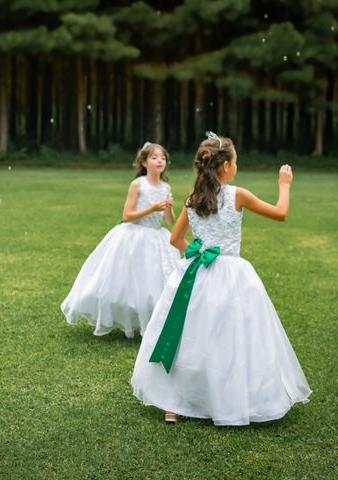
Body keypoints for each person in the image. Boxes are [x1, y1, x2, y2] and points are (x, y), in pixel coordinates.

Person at [131, 132, 311, 425]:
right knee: (230, 338)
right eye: (236, 161)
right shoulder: (238, 194)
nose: (236, 166)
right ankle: (228, 399)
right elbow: (280, 213)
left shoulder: (193, 199)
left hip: (196, 275)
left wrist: (197, 251)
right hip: (232, 276)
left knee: (190, 337)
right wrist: (284, 185)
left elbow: (175, 239)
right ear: (225, 165)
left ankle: (173, 402)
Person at [61, 142, 181, 338]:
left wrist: (167, 207)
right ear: (144, 162)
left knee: (153, 282)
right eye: (154, 157)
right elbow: (127, 215)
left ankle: (153, 321)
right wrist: (151, 208)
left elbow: (169, 221)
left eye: (163, 158)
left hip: (156, 237)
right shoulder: (138, 184)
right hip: (134, 235)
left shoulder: (166, 187)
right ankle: (128, 319)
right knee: (130, 282)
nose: (159, 161)